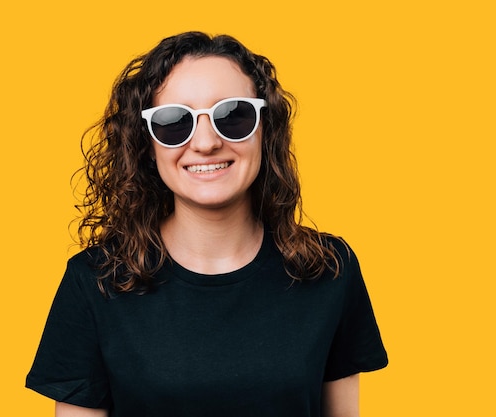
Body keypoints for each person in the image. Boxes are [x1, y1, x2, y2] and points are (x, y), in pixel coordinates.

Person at [26, 31, 388, 417]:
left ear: (266, 129)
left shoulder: (329, 269)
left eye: (233, 115)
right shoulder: (94, 282)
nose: (205, 142)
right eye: (174, 121)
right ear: (147, 145)